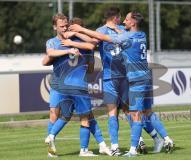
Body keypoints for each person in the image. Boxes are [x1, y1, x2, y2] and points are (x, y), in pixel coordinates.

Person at [69, 11, 174, 157]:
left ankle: (136, 147)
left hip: (133, 79)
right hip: (140, 77)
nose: (123, 22)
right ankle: (155, 140)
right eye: (122, 19)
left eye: (126, 19)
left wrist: (79, 31)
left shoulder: (126, 35)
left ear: (132, 23)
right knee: (142, 112)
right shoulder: (141, 35)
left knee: (135, 113)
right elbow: (96, 40)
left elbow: (102, 38)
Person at [43, 14, 111, 157]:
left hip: (70, 85)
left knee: (69, 116)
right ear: (55, 27)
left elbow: (92, 45)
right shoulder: (53, 42)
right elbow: (47, 57)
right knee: (73, 116)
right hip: (63, 85)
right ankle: (87, 148)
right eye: (62, 26)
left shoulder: (76, 42)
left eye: (67, 26)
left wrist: (74, 38)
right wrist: (67, 50)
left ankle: (53, 137)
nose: (65, 28)